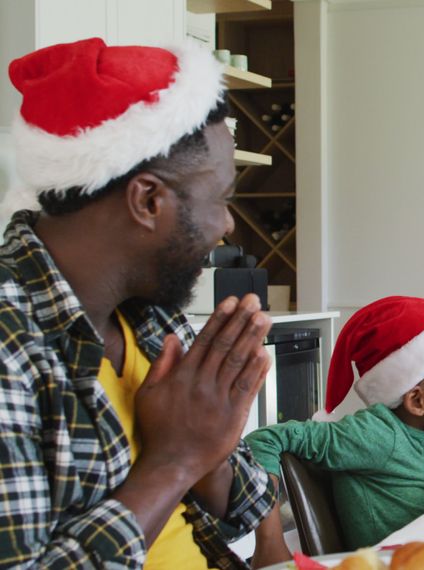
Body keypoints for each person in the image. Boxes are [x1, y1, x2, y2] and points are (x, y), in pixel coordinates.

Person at [0, 38, 276, 569]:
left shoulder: (151, 314)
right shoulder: (12, 343)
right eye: (220, 199)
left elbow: (247, 504)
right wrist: (174, 461)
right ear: (148, 201)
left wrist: (210, 444)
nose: (228, 225)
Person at [245, 296, 424, 565]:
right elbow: (263, 439)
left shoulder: (420, 434)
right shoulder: (379, 435)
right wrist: (269, 543)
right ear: (416, 401)